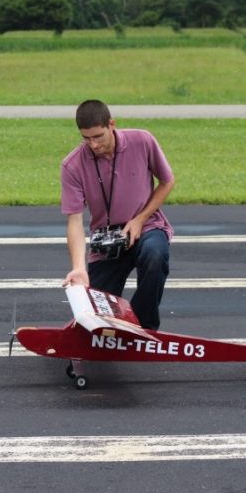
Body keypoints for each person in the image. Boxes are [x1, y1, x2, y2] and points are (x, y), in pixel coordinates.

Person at [61, 100, 175, 330]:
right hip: (107, 243)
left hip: (147, 227)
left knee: (155, 254)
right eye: (86, 138)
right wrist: (79, 267)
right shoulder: (72, 165)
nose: (92, 144)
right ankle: (116, 326)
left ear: (111, 124)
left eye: (98, 136)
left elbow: (167, 181)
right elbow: (74, 221)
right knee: (94, 320)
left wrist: (140, 219)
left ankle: (143, 327)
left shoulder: (142, 141)